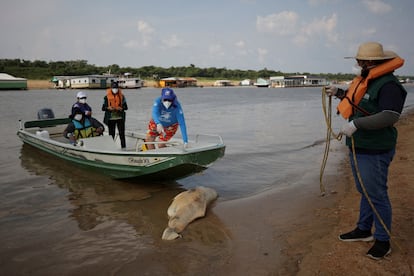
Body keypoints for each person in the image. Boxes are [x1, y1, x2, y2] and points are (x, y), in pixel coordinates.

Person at [325, 42, 407, 260]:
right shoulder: (368, 81)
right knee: (365, 191)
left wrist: (356, 125)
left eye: (359, 61)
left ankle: (383, 240)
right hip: (358, 146)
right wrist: (340, 92)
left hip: (375, 149)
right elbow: (361, 102)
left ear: (369, 63)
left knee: (377, 195)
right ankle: (363, 230)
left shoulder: (388, 85)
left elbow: (390, 115)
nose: (357, 64)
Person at [102, 81, 128, 148]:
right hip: (111, 119)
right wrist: (108, 108)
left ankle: (123, 147)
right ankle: (111, 148)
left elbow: (126, 107)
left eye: (116, 88)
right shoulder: (106, 97)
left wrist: (121, 108)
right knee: (111, 134)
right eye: (113, 88)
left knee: (122, 134)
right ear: (111, 88)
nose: (115, 89)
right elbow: (103, 108)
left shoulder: (122, 97)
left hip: (120, 118)